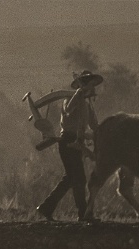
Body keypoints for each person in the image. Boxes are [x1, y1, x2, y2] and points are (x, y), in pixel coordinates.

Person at [36, 70, 102, 221]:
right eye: (88, 84)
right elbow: (68, 110)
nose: (91, 88)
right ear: (81, 86)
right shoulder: (70, 100)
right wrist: (79, 93)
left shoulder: (88, 107)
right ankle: (83, 214)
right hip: (67, 142)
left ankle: (46, 208)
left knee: (71, 179)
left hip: (77, 143)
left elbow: (95, 127)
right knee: (78, 179)